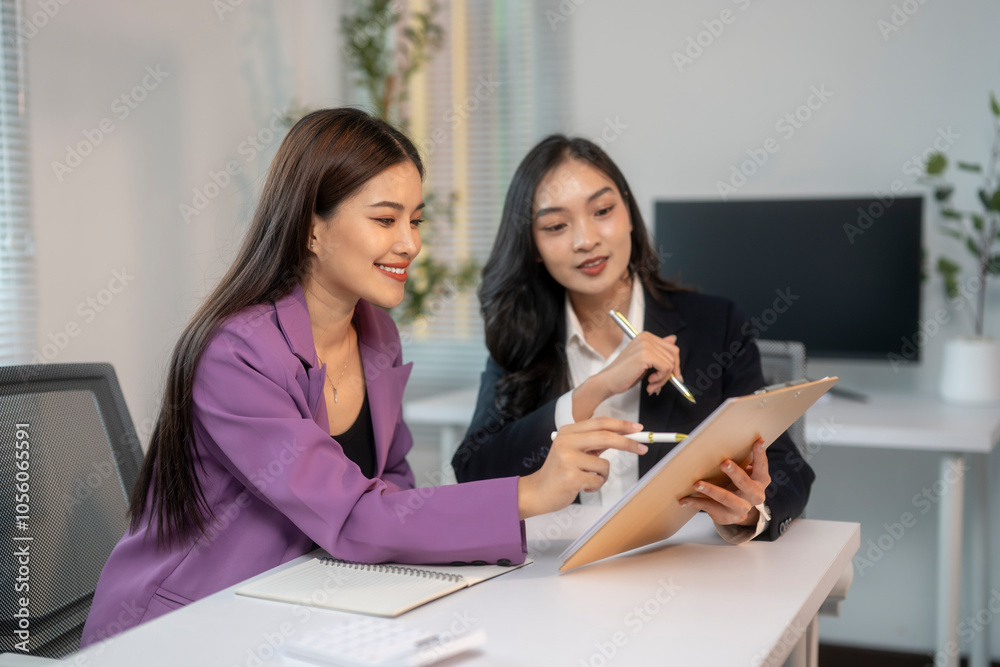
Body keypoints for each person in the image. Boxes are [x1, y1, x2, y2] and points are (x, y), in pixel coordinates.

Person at [81, 110, 647, 646]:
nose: (411, 243)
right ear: (312, 229)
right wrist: (531, 493)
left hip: (305, 602)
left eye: (415, 220)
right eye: (385, 220)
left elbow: (392, 488)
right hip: (188, 624)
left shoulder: (375, 333)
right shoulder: (237, 354)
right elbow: (353, 514)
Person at [452, 135, 815, 543]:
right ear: (534, 246)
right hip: (560, 577)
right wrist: (593, 390)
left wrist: (749, 512)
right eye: (556, 226)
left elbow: (788, 468)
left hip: (685, 573)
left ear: (627, 212)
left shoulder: (716, 323)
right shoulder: (519, 336)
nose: (585, 239)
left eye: (603, 210)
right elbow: (474, 472)